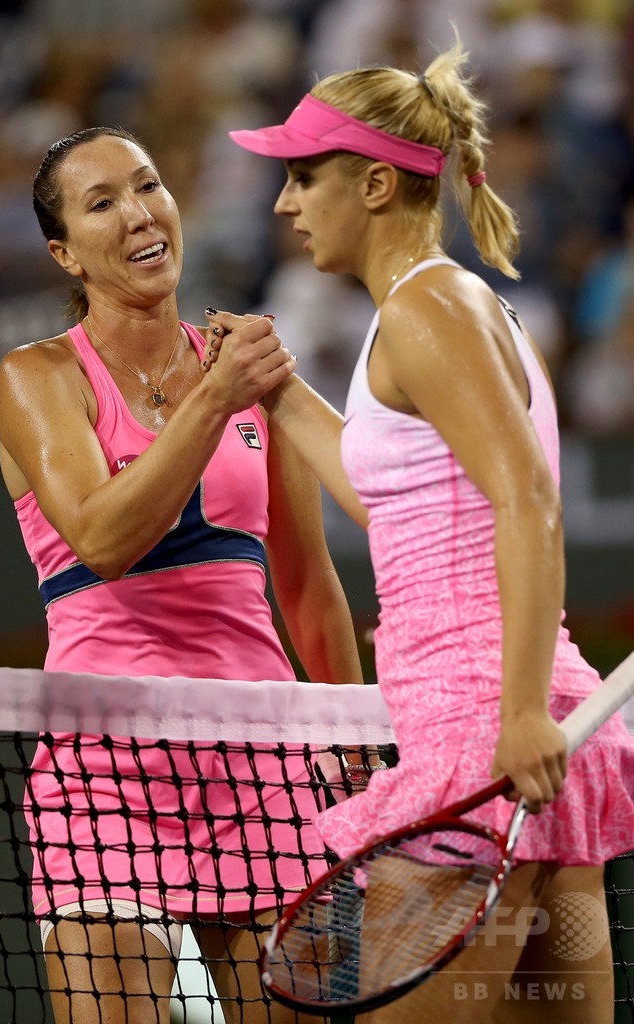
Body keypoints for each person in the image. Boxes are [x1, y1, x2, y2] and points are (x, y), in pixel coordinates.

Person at [208, 33, 634, 1024]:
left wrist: (516, 713)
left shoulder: (426, 310)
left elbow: (528, 500)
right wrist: (280, 391)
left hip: (481, 732)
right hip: (522, 724)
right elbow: (398, 504)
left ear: (371, 184)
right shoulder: (445, 307)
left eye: (302, 178)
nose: (282, 205)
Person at [0, 125, 365, 1024]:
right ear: (64, 253)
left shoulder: (248, 370)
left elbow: (306, 581)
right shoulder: (37, 378)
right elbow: (103, 537)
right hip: (105, 775)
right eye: (102, 203)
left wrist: (351, 739)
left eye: (148, 186)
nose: (138, 214)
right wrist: (216, 397)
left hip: (262, 763)